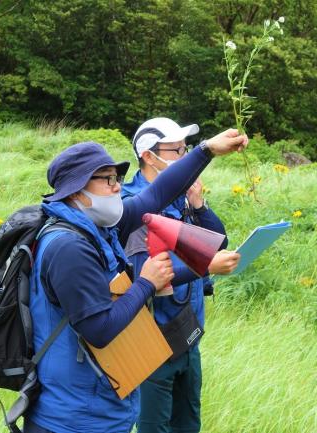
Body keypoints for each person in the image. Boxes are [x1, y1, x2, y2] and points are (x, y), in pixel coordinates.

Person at [23, 128, 248, 433]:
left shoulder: (97, 225)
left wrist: (207, 149)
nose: (117, 187)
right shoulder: (69, 247)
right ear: (77, 192)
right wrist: (146, 284)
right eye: (108, 180)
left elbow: (156, 194)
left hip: (99, 408)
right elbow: (99, 329)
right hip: (71, 420)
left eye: (117, 179)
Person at [121, 118, 240, 433]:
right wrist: (206, 265)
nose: (185, 158)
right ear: (148, 155)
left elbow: (217, 243)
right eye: (177, 151)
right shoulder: (133, 207)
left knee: (188, 425)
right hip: (152, 342)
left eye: (187, 150)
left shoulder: (180, 198)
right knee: (154, 427)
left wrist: (198, 205)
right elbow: (143, 274)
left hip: (188, 334)